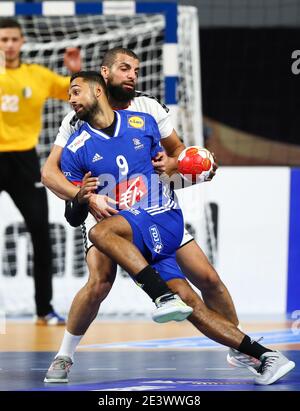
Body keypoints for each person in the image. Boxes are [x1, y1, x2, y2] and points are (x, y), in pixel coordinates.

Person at [41, 49, 286, 379]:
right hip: (108, 209)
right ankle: (64, 356)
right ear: (104, 75)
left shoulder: (146, 110)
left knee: (208, 280)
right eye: (125, 68)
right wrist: (85, 198)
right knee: (99, 282)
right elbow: (51, 173)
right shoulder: (77, 120)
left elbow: (179, 158)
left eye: (136, 70)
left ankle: (241, 347)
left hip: (155, 206)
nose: (132, 75)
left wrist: (185, 165)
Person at [0, 18, 81, 325]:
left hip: (24, 161)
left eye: (13, 39)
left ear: (22, 42)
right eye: (3, 39)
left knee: (41, 234)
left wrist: (74, 70)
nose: (8, 45)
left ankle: (43, 309)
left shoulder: (37, 75)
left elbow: (73, 93)